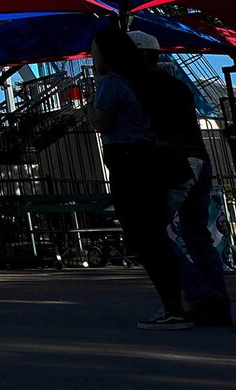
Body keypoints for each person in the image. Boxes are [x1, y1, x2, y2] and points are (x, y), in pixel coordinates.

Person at [88, 27, 196, 330]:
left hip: (128, 163)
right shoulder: (143, 81)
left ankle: (173, 306)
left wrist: (89, 110)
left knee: (145, 237)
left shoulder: (110, 82)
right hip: (155, 160)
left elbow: (102, 121)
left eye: (94, 48)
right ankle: (184, 299)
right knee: (157, 234)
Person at [126, 29, 231, 327]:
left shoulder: (143, 84)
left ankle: (198, 293)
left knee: (150, 235)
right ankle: (218, 303)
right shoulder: (177, 85)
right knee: (197, 235)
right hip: (198, 157)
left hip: (171, 161)